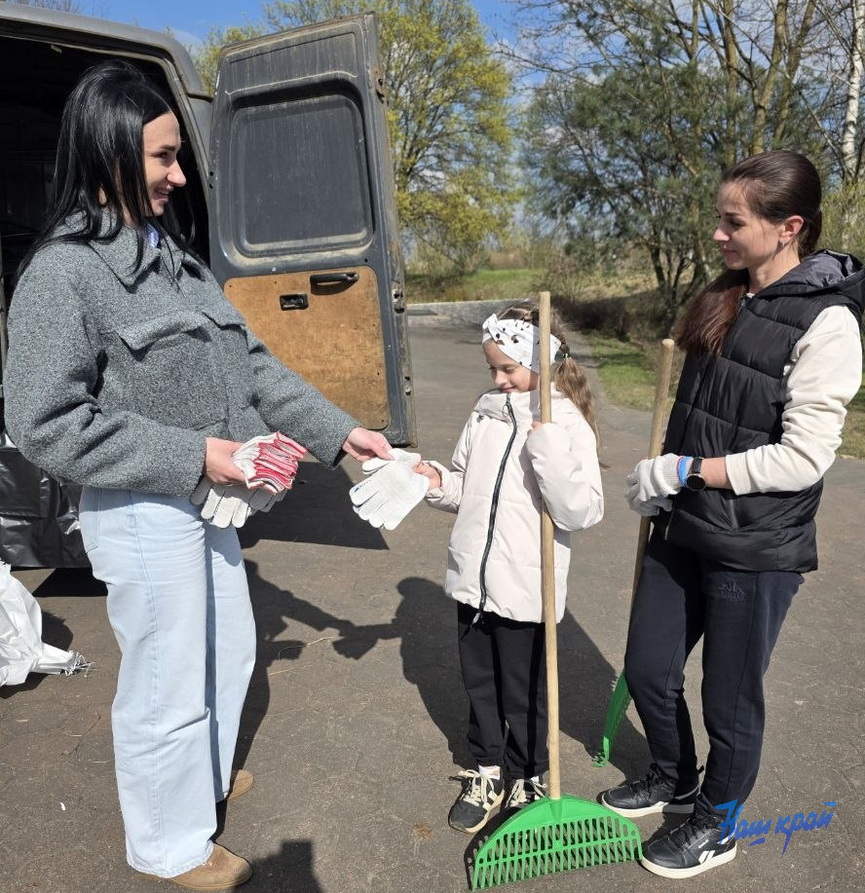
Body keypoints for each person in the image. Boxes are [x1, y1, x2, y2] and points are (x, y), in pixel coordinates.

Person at [3, 60, 392, 890]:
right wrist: (195, 453)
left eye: (178, 157)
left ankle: (201, 778)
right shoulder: (64, 274)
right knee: (165, 677)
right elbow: (42, 422)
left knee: (228, 653)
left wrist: (344, 433)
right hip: (145, 508)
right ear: (107, 153)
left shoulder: (176, 263)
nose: (180, 177)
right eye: (163, 158)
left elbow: (256, 367)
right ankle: (169, 844)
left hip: (212, 503)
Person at [601, 150, 864, 878]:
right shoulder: (728, 293)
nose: (715, 233)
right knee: (649, 668)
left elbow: (802, 458)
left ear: (789, 228)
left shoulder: (828, 323)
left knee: (728, 696)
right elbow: (700, 413)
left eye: (731, 221)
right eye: (717, 217)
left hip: (755, 546)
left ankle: (715, 822)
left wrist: (686, 470)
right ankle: (673, 774)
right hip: (683, 523)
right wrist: (663, 472)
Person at [414, 303, 604, 833]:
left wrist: (544, 447)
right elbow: (462, 486)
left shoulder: (565, 423)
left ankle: (529, 776)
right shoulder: (486, 412)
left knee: (524, 693)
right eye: (492, 370)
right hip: (472, 583)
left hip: (526, 588)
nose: (499, 380)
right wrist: (433, 482)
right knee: (480, 686)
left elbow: (581, 511)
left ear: (541, 363)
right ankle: (487, 770)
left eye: (509, 370)